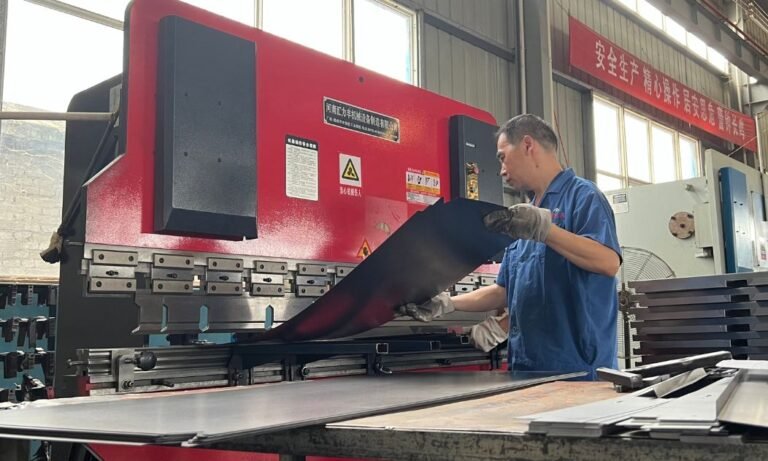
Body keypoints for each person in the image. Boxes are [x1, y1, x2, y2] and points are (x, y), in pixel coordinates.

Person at [399, 114, 621, 380]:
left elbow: (608, 262)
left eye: (503, 156)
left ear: (528, 145)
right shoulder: (522, 217)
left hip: (579, 371)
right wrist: (447, 303)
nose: (501, 170)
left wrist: (546, 230)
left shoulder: (583, 196)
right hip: (527, 368)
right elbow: (504, 290)